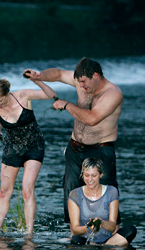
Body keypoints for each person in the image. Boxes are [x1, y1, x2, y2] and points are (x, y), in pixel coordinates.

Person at [24, 58, 123, 223]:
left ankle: (111, 235)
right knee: (71, 193)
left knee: (104, 194)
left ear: (96, 76)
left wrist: (66, 105)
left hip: (100, 149)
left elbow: (92, 119)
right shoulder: (82, 81)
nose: (82, 86)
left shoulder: (113, 93)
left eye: (84, 82)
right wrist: (40, 76)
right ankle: (74, 234)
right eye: (79, 82)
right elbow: (59, 74)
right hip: (75, 147)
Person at [0, 77, 56, 234]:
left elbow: (51, 94)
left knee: (27, 189)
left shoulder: (23, 96)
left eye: (0, 101)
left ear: (7, 94)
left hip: (34, 146)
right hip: (12, 147)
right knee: (4, 191)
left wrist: (37, 80)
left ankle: (29, 232)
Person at [68, 158, 136, 246]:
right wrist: (88, 227)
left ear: (101, 175)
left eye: (94, 175)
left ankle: (105, 245)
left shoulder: (112, 191)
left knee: (131, 230)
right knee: (76, 240)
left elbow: (112, 226)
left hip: (107, 240)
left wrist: (102, 223)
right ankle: (95, 246)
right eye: (87, 175)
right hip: (84, 240)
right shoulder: (75, 194)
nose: (90, 179)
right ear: (82, 175)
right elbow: (75, 229)